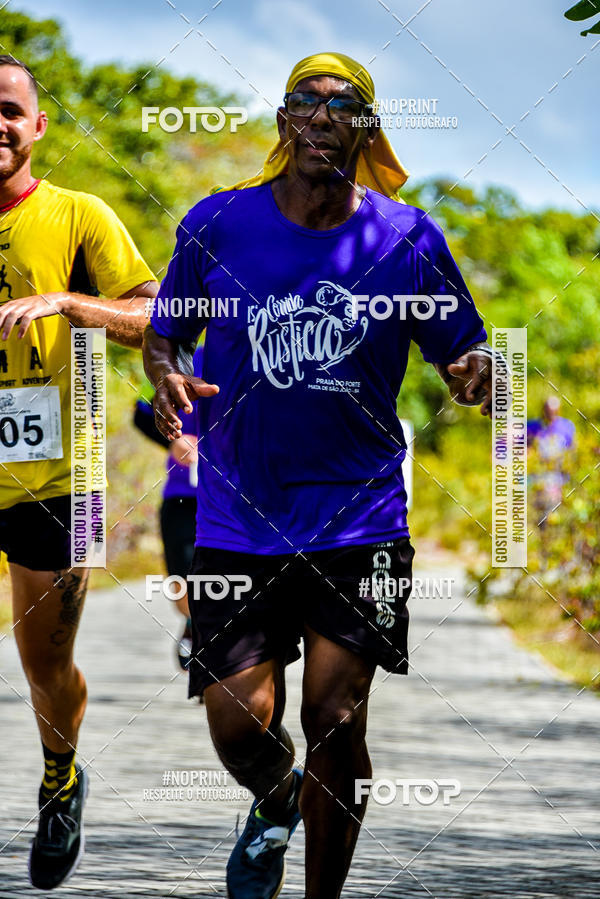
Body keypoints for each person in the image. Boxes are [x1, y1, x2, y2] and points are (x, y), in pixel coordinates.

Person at [143, 51, 494, 899]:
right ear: (284, 122)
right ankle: (275, 796)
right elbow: (165, 332)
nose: (325, 117)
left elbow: (466, 348)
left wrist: (479, 370)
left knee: (334, 715)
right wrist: (164, 373)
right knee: (237, 721)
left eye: (347, 107)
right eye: (308, 102)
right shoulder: (217, 226)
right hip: (234, 516)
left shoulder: (407, 239)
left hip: (360, 519)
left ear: (366, 130)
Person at [0, 55, 158, 889]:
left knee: (43, 663)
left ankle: (60, 776)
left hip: (62, 478)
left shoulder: (77, 215)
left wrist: (67, 303)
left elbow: (156, 316)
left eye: (8, 108)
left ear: (37, 125)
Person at [133, 346, 204, 672]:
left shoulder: (258, 360)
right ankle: (193, 625)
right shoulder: (187, 360)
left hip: (236, 499)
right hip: (182, 496)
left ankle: (215, 650)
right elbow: (142, 414)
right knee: (182, 582)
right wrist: (174, 441)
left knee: (231, 580)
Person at [527, 396, 575, 526]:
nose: (550, 414)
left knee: (553, 511)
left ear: (559, 411)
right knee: (535, 510)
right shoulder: (532, 427)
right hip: (536, 476)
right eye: (548, 411)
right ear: (543, 410)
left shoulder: (566, 427)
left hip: (557, 477)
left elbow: (571, 452)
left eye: (553, 411)